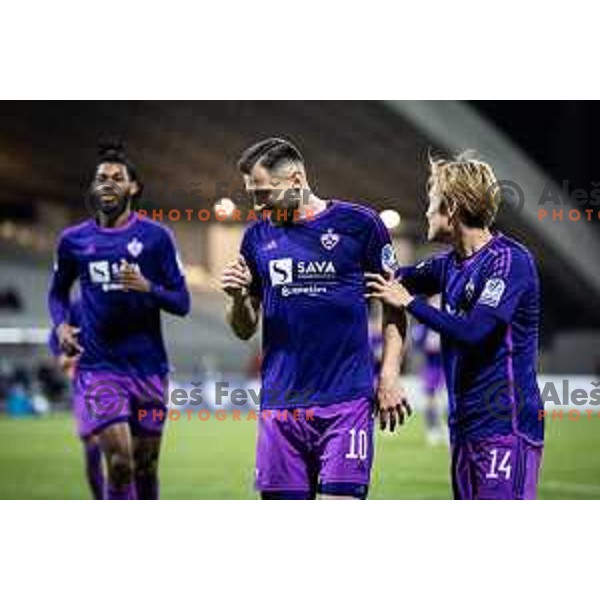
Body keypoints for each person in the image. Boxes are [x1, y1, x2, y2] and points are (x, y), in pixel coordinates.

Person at [222, 137, 410, 500]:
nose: (257, 204)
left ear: (296, 180)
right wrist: (236, 298)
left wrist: (389, 375)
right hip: (280, 406)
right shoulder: (257, 238)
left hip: (346, 401)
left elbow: (395, 306)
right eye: (252, 194)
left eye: (263, 192)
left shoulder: (360, 225)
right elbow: (244, 328)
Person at [366, 152, 544, 500]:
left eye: (432, 203)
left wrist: (411, 303)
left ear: (454, 207)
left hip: (505, 425)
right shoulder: (448, 265)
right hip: (464, 427)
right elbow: (384, 281)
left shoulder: (509, 261)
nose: (428, 212)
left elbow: (476, 332)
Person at [48, 142, 190, 500]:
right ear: (94, 187)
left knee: (145, 467)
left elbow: (182, 302)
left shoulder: (157, 238)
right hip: (99, 368)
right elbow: (57, 294)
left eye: (117, 178)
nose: (108, 183)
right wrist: (61, 324)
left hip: (149, 369)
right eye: (101, 178)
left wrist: (148, 287)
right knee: (120, 461)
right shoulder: (73, 241)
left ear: (133, 188)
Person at [49, 299, 104, 499]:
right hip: (85, 385)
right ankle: (100, 498)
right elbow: (60, 355)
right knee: (92, 441)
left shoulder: (120, 302)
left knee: (125, 451)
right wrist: (70, 357)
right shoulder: (75, 310)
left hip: (120, 379)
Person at [411, 295, 446, 445]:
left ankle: (443, 427)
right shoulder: (424, 326)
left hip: (445, 364)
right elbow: (417, 342)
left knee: (446, 399)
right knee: (430, 398)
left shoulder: (447, 321)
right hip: (432, 365)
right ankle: (431, 428)